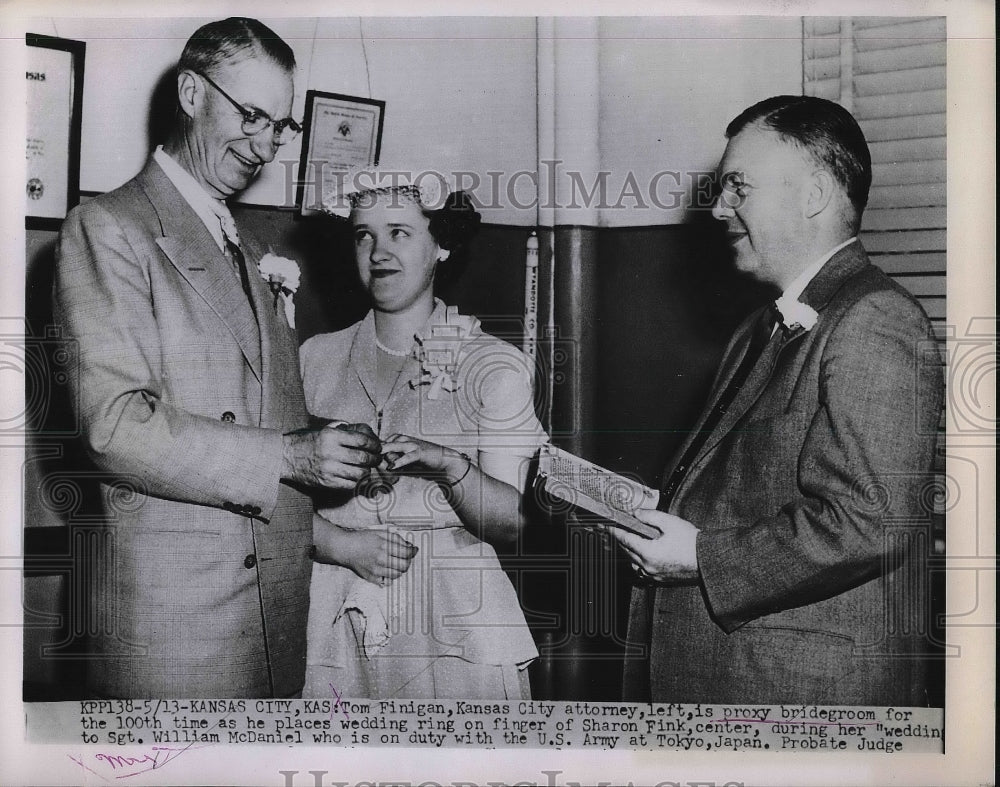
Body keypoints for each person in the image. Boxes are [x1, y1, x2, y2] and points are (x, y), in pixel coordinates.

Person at [53, 18, 380, 698]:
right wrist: (291, 456)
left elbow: (248, 408)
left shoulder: (248, 244)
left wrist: (330, 442)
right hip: (184, 629)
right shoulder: (111, 227)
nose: (264, 146)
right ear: (192, 94)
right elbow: (114, 426)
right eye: (253, 116)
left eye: (279, 126)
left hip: (274, 612)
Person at [609, 95, 944, 706]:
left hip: (799, 699)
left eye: (738, 187)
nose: (717, 209)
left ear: (813, 195)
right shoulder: (759, 327)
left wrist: (701, 557)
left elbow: (871, 521)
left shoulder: (875, 320)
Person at [300, 172, 545, 700]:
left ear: (443, 245)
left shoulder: (493, 364)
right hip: (333, 610)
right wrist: (341, 545)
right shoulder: (314, 358)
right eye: (363, 235)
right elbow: (272, 496)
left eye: (399, 233)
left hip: (454, 619)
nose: (378, 251)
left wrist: (448, 464)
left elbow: (511, 523)